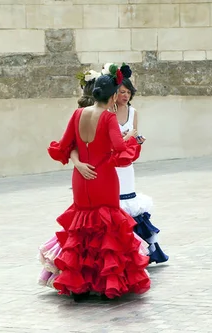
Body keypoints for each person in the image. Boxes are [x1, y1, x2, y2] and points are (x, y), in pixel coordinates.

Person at [41, 67, 151, 301]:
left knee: (81, 227)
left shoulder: (77, 114)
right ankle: (105, 284)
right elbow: (119, 151)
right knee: (107, 227)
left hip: (81, 176)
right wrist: (130, 137)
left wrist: (78, 164)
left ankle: (78, 286)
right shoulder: (109, 116)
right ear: (112, 97)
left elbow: (65, 145)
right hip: (103, 177)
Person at [112, 63, 169, 264]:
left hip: (127, 164)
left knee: (130, 201)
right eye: (121, 92)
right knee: (115, 201)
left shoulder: (133, 112)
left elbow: (134, 136)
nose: (125, 96)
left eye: (128, 92)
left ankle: (142, 250)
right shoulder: (107, 111)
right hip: (111, 164)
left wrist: (136, 139)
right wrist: (126, 138)